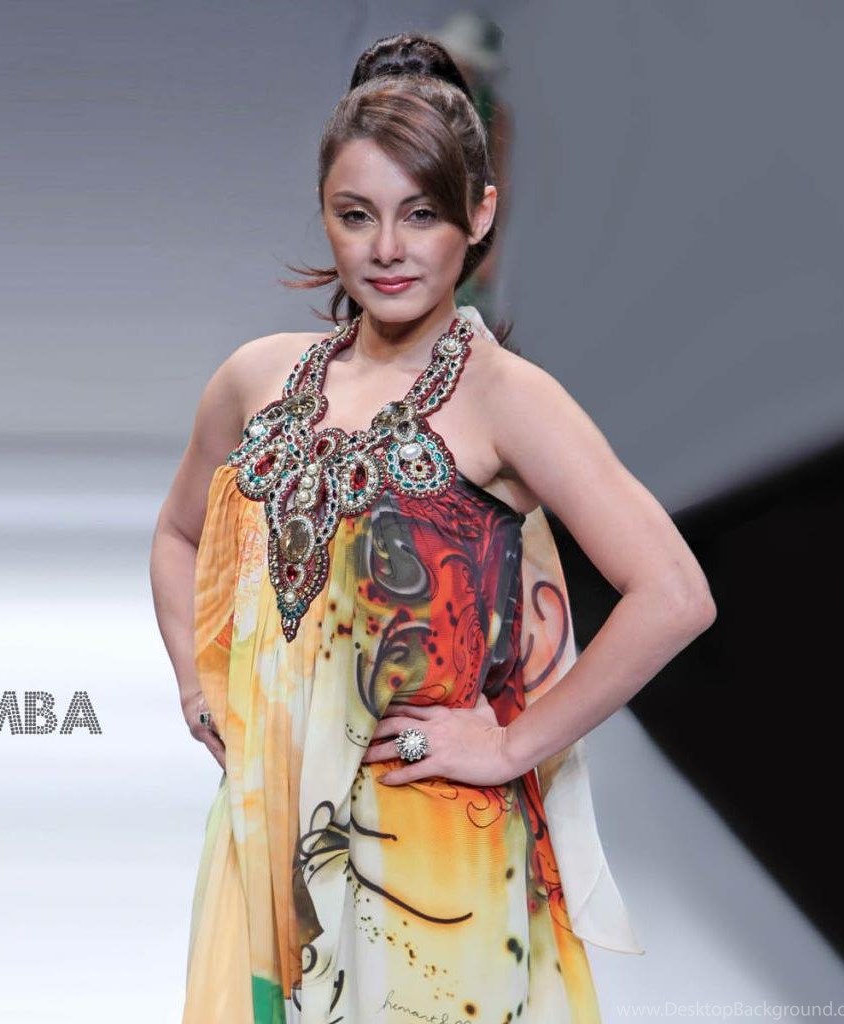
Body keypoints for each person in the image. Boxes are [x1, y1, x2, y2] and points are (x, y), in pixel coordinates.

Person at [149, 32, 716, 1024]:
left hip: (425, 856)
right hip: (264, 835)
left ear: (479, 214)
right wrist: (201, 691)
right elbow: (177, 534)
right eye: (355, 214)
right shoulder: (255, 377)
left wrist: (510, 746)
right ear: (323, 212)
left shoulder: (507, 399)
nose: (386, 247)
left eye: (421, 214)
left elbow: (674, 594)